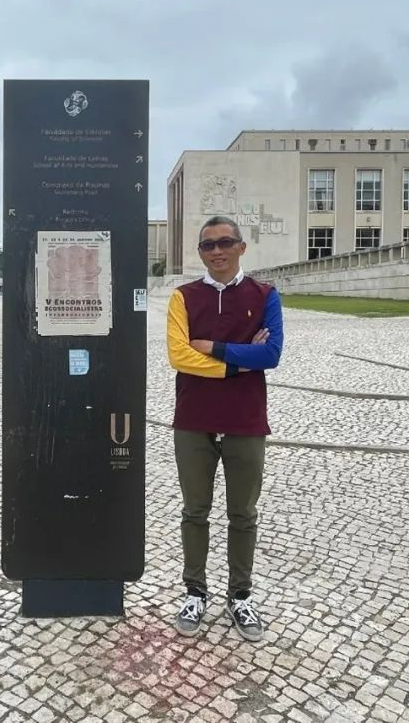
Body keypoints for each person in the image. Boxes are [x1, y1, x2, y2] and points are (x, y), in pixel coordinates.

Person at [166, 216, 284, 641]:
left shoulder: (265, 294)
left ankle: (240, 595)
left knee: (243, 514)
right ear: (200, 252)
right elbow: (179, 356)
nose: (217, 251)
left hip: (245, 419)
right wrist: (237, 362)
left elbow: (270, 355)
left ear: (241, 247)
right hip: (193, 418)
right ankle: (195, 591)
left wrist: (213, 349)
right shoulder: (183, 297)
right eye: (208, 245)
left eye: (225, 242)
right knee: (194, 511)